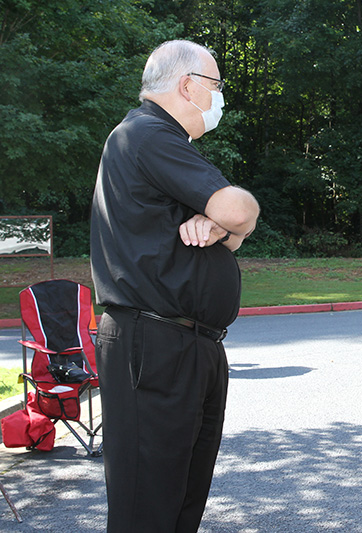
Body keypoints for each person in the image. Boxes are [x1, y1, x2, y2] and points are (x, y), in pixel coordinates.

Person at [90, 40, 260, 532]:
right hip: (157, 342)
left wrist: (221, 227)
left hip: (186, 343)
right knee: (149, 505)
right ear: (189, 86)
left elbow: (231, 233)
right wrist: (229, 220)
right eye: (216, 86)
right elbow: (241, 210)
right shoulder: (148, 135)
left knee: (181, 499)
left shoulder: (159, 145)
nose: (220, 98)